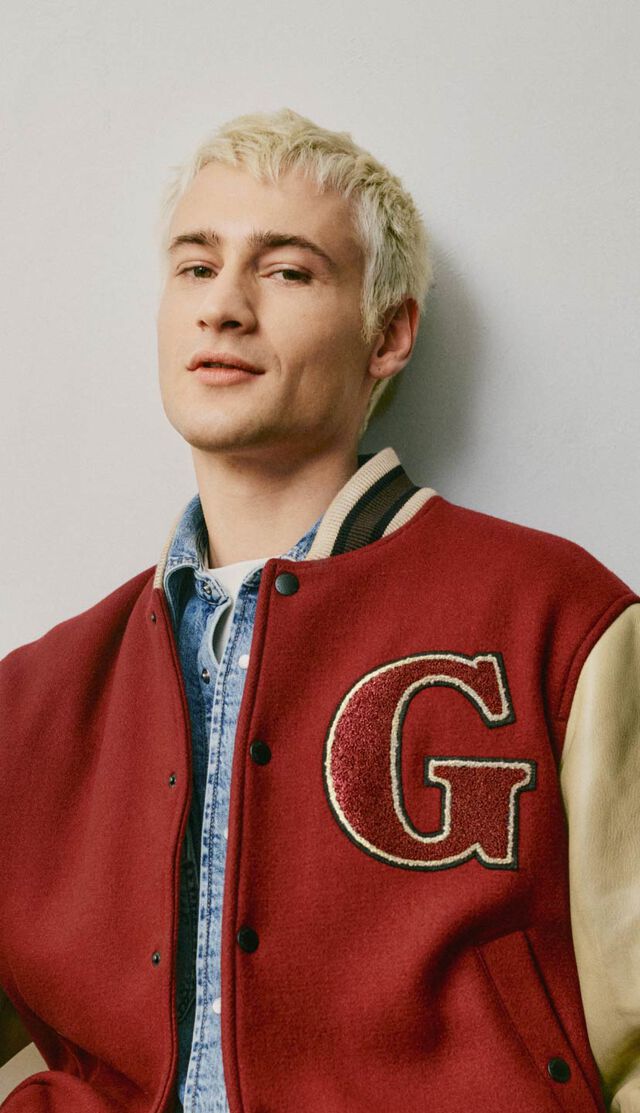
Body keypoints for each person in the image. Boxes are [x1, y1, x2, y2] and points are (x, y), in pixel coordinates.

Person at [0, 106, 639, 1113]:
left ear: (388, 334)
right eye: (196, 266)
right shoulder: (32, 698)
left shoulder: (557, 617)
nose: (224, 308)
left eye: (288, 271)